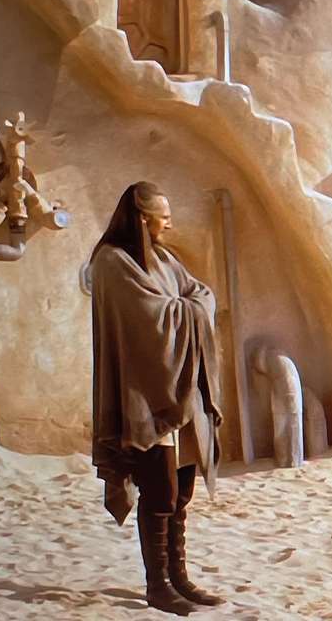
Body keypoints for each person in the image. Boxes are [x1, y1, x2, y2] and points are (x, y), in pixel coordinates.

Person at [90, 182, 224, 615]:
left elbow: (202, 295)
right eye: (163, 216)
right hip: (143, 397)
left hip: (180, 393)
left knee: (181, 491)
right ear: (142, 218)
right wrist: (189, 308)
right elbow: (149, 319)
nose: (169, 223)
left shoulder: (165, 259)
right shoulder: (112, 262)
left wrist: (188, 306)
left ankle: (179, 577)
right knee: (159, 491)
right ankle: (157, 585)